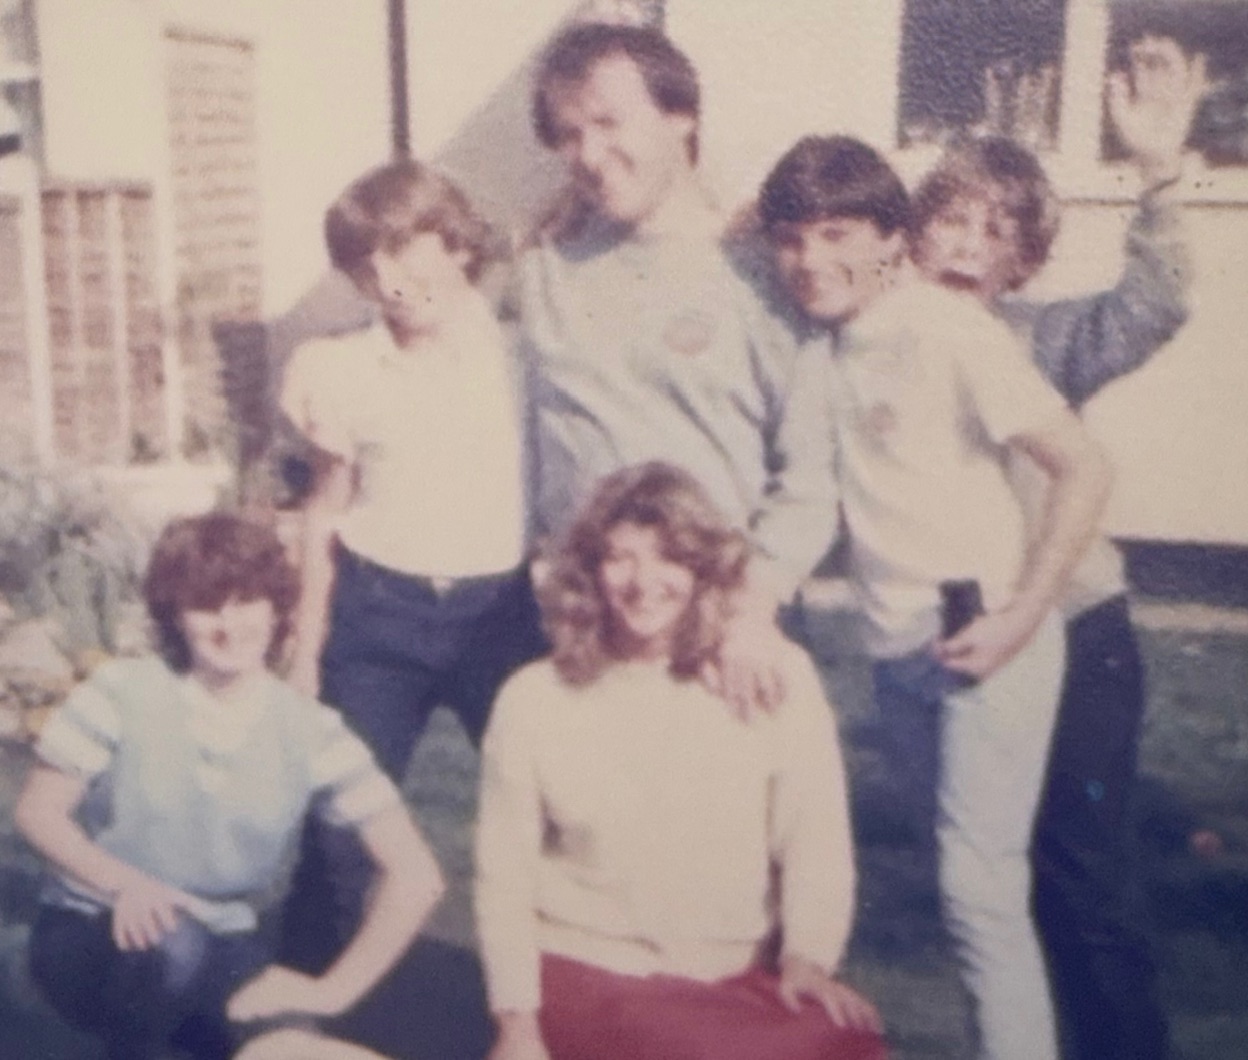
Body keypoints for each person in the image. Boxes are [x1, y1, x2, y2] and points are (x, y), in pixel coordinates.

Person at [757, 136, 1112, 1060]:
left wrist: (1024, 613)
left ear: (892, 237)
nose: (810, 259)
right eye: (791, 238)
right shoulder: (828, 346)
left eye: (837, 234)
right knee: (967, 894)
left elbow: (1082, 466)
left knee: (976, 891)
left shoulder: (947, 329)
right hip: (896, 651)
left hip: (983, 635)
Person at [908, 33, 1205, 1060]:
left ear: (1021, 263)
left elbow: (1154, 304)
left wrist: (1158, 171)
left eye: (994, 231)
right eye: (949, 219)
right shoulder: (883, 341)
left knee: (1081, 880)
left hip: (1075, 635)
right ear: (914, 235)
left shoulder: (1037, 341)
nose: (965, 244)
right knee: (992, 885)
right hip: (963, 644)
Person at [474, 462, 885, 1060]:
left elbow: (814, 836)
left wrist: (807, 958)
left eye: (669, 558)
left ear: (703, 570)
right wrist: (517, 1028)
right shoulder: (535, 696)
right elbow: (503, 879)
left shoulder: (775, 676)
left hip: (733, 978)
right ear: (588, 573)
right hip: (591, 972)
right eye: (619, 558)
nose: (644, 582)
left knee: (848, 1037)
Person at [14, 513, 442, 1060]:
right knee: (172, 948)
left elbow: (417, 876)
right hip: (90, 928)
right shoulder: (123, 691)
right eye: (205, 605)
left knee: (294, 1040)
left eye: (246, 602)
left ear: (277, 608)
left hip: (222, 942)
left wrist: (333, 991)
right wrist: (124, 883)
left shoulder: (311, 731)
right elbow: (38, 812)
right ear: (174, 615)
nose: (228, 625)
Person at [277, 159, 548, 971]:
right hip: (377, 616)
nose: (389, 281)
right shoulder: (343, 367)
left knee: (548, 809)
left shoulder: (526, 357)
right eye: (365, 268)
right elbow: (326, 508)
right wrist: (306, 649)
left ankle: (563, 998)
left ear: (458, 243)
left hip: (501, 616)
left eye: (403, 250)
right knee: (340, 824)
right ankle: (304, 1001)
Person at [521, 22, 839, 711]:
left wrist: (751, 610)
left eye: (609, 123)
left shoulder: (763, 274)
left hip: (727, 631)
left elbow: (812, 478)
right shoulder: (545, 270)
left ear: (681, 116)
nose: (589, 154)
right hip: (587, 634)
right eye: (570, 134)